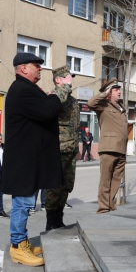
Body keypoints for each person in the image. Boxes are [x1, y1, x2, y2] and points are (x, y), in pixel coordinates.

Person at [0, 52, 71, 267]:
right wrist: (55, 95)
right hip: (23, 160)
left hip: (28, 158)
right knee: (22, 204)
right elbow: (49, 111)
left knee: (26, 202)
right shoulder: (22, 90)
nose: (40, 68)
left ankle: (22, 242)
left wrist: (50, 97)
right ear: (23, 68)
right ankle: (17, 247)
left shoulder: (27, 88)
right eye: (36, 65)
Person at [45, 66, 80, 230]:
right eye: (67, 77)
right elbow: (57, 101)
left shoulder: (72, 100)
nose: (70, 79)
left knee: (66, 186)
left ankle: (58, 219)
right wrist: (64, 86)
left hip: (71, 149)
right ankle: (50, 222)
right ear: (58, 80)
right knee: (54, 187)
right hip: (58, 149)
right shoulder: (54, 96)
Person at [88, 77, 128, 214]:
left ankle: (110, 204)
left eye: (119, 89)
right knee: (106, 179)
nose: (119, 92)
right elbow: (90, 103)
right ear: (109, 92)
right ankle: (103, 208)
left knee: (116, 180)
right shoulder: (103, 105)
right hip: (109, 148)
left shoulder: (121, 107)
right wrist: (104, 93)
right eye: (115, 90)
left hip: (121, 148)